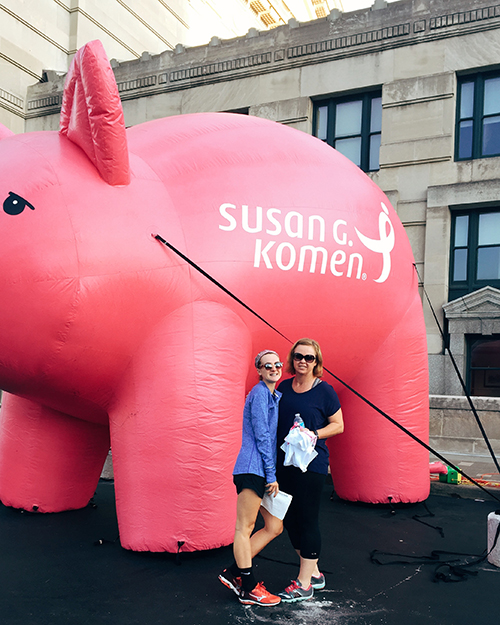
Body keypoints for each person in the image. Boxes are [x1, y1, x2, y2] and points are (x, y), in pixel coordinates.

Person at [276, 338, 344, 603]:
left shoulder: (324, 391)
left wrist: (313, 434)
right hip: (285, 463)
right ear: (292, 360)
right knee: (290, 520)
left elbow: (338, 425)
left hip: (312, 464)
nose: (303, 361)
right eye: (298, 356)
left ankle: (304, 584)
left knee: (307, 519)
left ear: (317, 362)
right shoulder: (283, 387)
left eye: (309, 358)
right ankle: (314, 573)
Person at [219, 350, 284, 606]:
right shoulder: (259, 394)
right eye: (267, 365)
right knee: (244, 528)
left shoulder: (273, 396)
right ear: (259, 370)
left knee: (274, 526)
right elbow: (262, 436)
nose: (273, 368)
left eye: (277, 364)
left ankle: (233, 572)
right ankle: (248, 587)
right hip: (252, 469)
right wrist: (272, 474)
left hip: (260, 470)